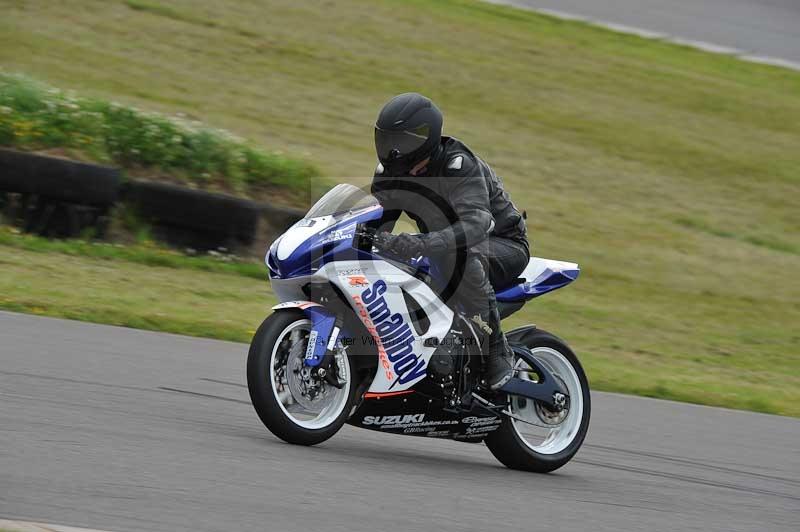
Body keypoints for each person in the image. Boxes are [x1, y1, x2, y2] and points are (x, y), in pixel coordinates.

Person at [370, 92, 529, 390]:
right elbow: (374, 222)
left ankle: (496, 350)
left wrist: (419, 243)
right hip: (443, 247)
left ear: (424, 138)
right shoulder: (390, 174)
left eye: (400, 142)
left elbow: (476, 224)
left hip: (502, 243)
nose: (391, 150)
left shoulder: (458, 165)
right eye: (386, 140)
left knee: (461, 255)